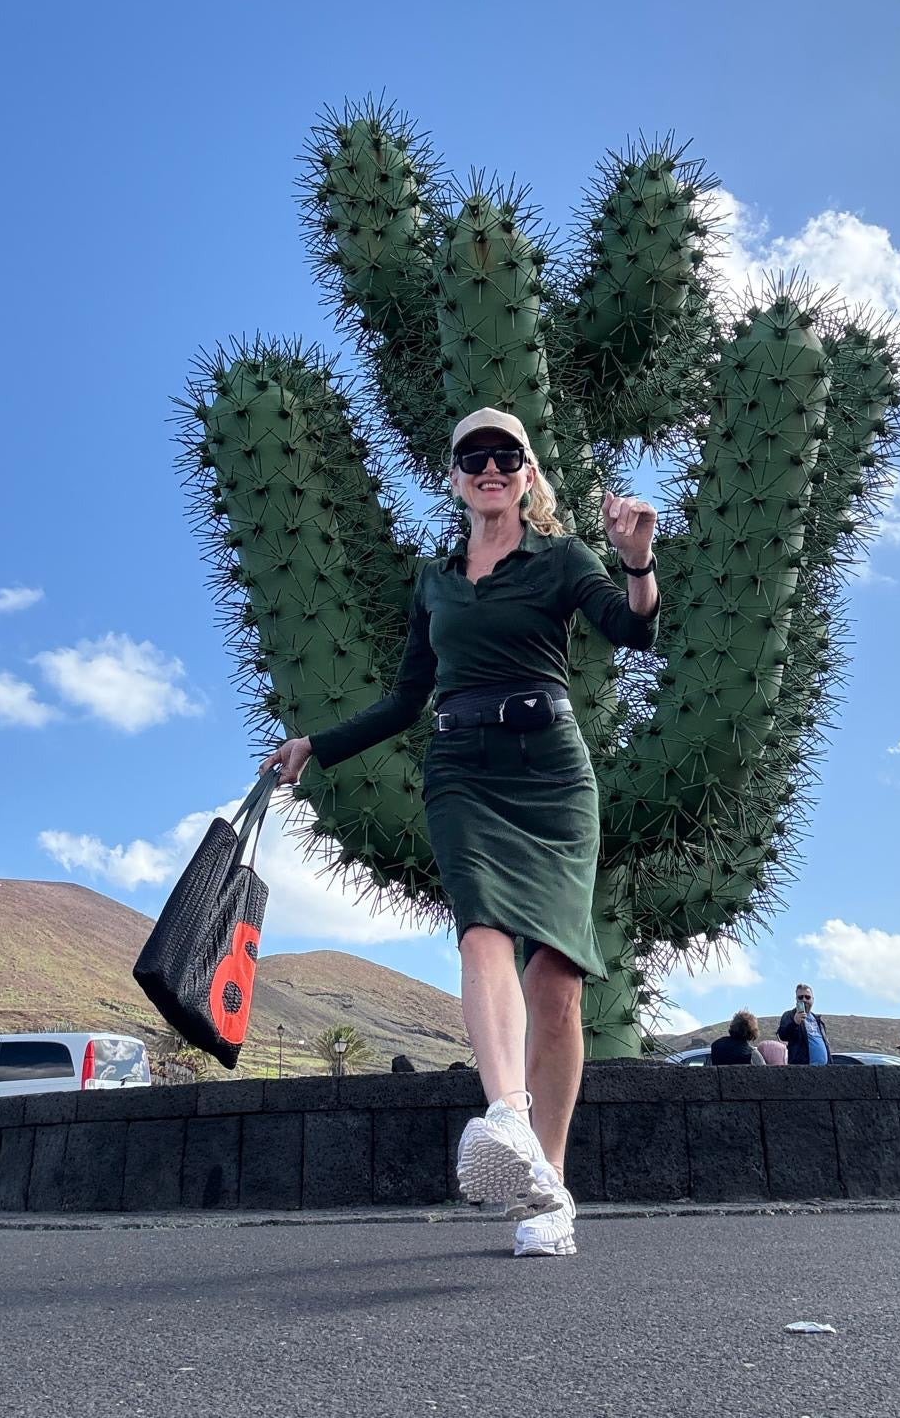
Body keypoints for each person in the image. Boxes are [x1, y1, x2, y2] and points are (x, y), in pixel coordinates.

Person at [260, 407, 660, 1259]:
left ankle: (550, 1190)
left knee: (557, 985)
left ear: (526, 473)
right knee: (482, 932)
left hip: (553, 774)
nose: (489, 467)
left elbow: (632, 630)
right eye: (472, 456)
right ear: (453, 477)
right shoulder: (436, 580)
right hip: (463, 772)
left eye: (505, 455)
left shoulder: (560, 559)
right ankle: (505, 1114)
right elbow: (406, 699)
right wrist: (313, 746)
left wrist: (637, 562)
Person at [777, 982, 830, 1065]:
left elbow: (826, 1045)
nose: (804, 1000)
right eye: (800, 997)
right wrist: (795, 1023)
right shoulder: (789, 1015)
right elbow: (782, 1035)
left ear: (813, 999)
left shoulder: (818, 1020)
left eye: (807, 997)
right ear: (796, 999)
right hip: (802, 1070)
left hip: (823, 1070)